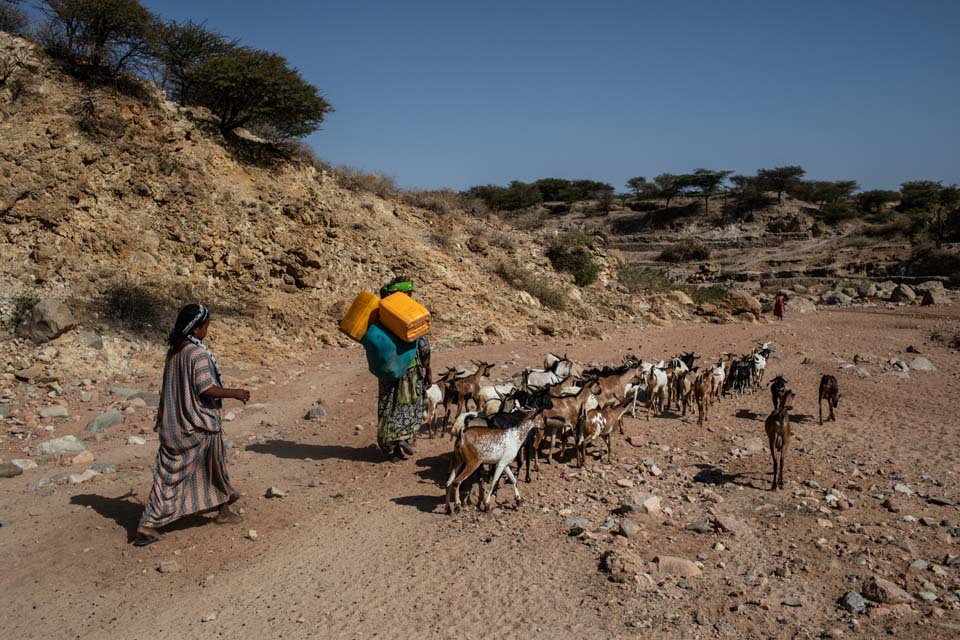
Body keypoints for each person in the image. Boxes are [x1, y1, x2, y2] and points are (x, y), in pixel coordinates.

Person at [134, 303, 250, 546]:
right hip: (196, 425)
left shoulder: (175, 351)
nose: (207, 330)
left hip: (175, 423)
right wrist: (235, 393)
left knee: (214, 466)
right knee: (173, 478)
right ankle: (148, 523)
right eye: (206, 326)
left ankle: (223, 509)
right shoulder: (196, 354)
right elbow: (205, 388)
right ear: (197, 329)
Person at [376, 275, 432, 462]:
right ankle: (403, 439)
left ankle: (391, 446)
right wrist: (428, 367)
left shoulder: (381, 313)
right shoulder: (411, 312)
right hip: (410, 368)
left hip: (388, 368)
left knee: (388, 405)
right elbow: (423, 345)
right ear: (406, 293)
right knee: (409, 406)